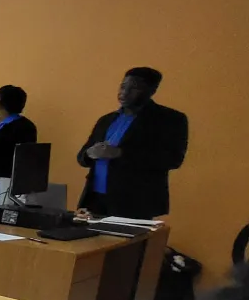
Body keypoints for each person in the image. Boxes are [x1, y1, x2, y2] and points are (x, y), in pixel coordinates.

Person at [77, 67, 188, 218]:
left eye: (133, 88)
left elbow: (173, 159)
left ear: (152, 90)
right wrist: (90, 153)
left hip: (135, 203)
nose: (124, 92)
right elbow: (82, 156)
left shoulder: (169, 120)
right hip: (96, 200)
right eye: (123, 86)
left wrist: (121, 153)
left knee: (127, 242)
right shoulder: (107, 120)